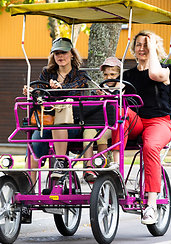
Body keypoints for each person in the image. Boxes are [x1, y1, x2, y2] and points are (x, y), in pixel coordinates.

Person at [111, 30, 171, 225]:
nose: (142, 48)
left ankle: (151, 205)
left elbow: (154, 74)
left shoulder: (165, 70)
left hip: (159, 122)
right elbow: (114, 95)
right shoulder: (127, 75)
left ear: (155, 48)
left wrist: (152, 47)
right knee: (117, 112)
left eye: (146, 45)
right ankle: (116, 171)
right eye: (138, 44)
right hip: (136, 121)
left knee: (150, 147)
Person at [24, 37, 88, 184]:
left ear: (71, 54)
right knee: (36, 140)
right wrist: (32, 91)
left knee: (60, 118)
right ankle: (28, 188)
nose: (60, 56)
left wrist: (60, 88)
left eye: (63, 52)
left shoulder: (80, 75)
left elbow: (75, 90)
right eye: (56, 53)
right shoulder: (47, 73)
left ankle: (61, 163)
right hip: (48, 121)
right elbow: (40, 94)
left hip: (73, 123)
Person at [82, 56, 122, 182]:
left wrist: (108, 97)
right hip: (98, 122)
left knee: (102, 136)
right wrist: (97, 97)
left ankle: (101, 166)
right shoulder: (100, 89)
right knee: (87, 132)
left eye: (112, 74)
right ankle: (89, 167)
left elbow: (121, 103)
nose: (108, 77)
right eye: (106, 75)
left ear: (119, 74)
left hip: (113, 124)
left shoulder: (122, 89)